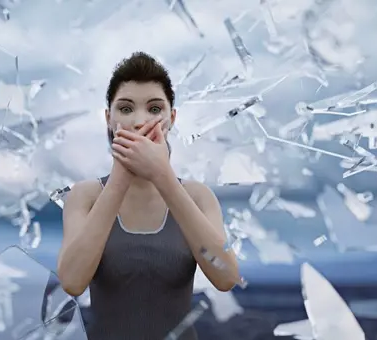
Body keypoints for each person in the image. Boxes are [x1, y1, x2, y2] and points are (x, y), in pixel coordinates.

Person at [57, 51, 240, 340]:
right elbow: (72, 281)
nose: (139, 120)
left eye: (154, 109)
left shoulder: (197, 196)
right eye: (126, 109)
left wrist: (164, 178)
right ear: (109, 118)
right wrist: (120, 176)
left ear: (172, 118)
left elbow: (226, 276)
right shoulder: (86, 196)